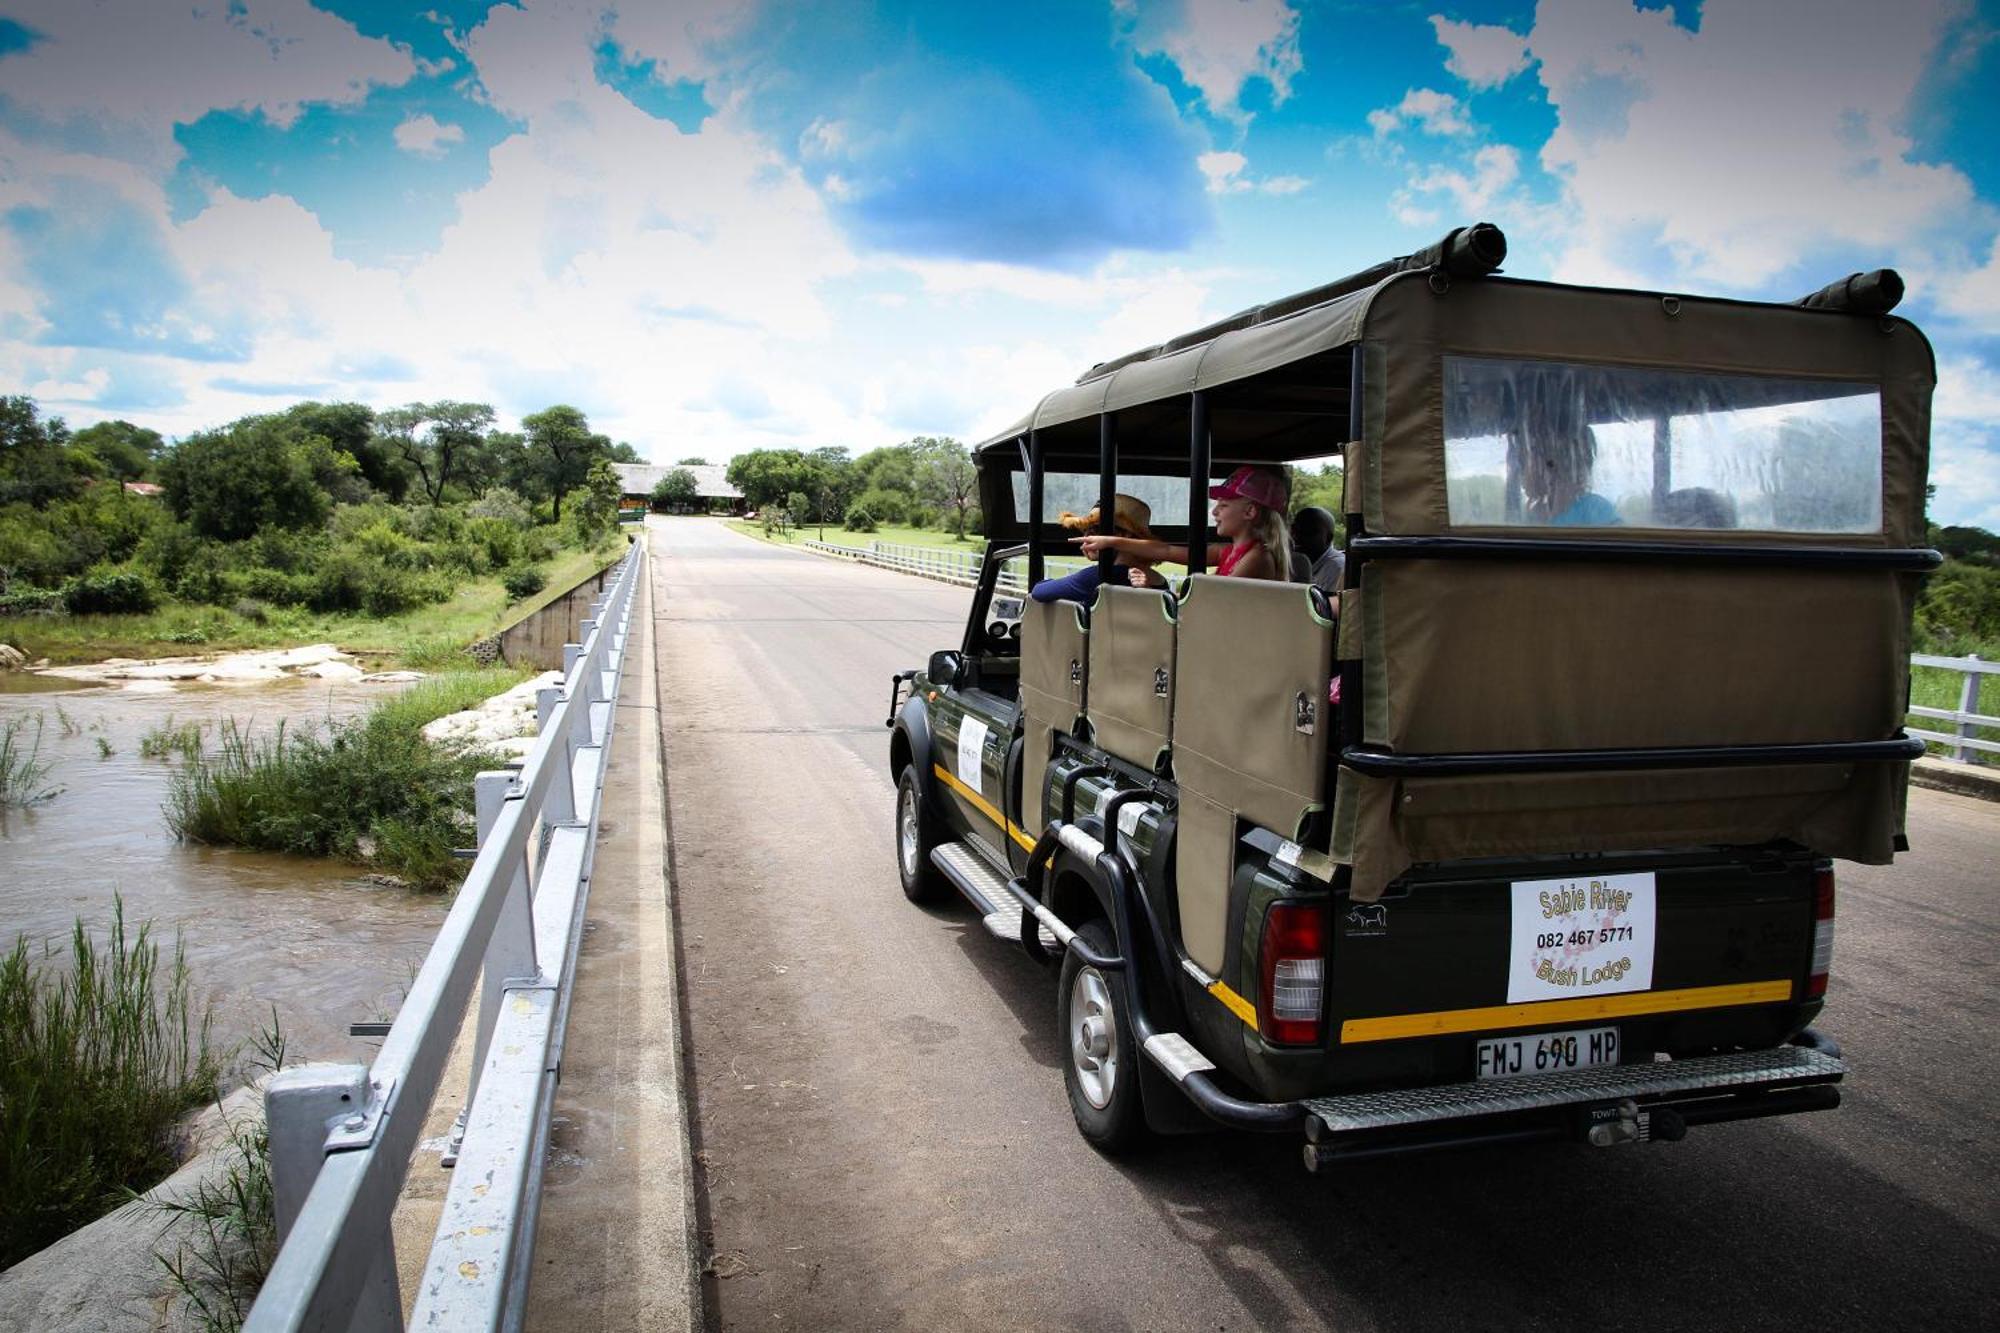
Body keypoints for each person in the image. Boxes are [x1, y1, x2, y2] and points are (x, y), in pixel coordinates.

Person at [1073, 465, 1292, 583]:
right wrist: (1110, 541)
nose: (1214, 512)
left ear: (1250, 511)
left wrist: (1161, 589)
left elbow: (1213, 598)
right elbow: (1165, 550)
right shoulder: (1229, 552)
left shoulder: (1257, 557)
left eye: (1223, 506)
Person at [1030, 494, 1163, 603]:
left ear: (1125, 535)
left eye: (1096, 530)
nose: (1088, 536)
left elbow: (1038, 591)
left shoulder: (1097, 577)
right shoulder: (1159, 581)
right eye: (1086, 530)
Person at [1292, 506, 1344, 597]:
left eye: (1308, 531)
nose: (1297, 536)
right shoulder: (1295, 562)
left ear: (1328, 538)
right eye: (1294, 529)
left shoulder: (1337, 567)